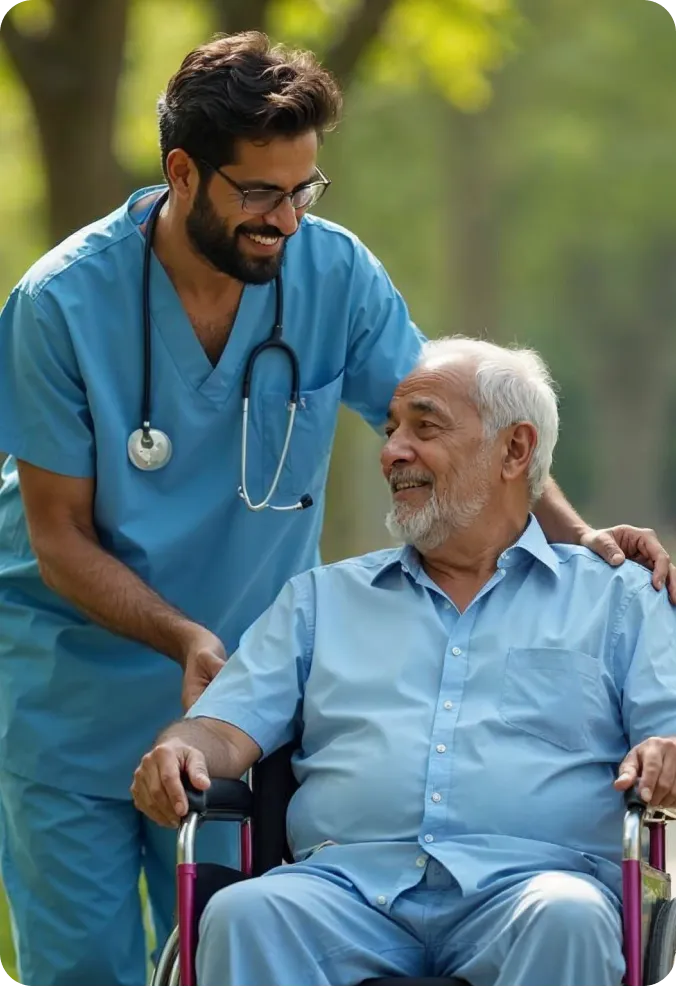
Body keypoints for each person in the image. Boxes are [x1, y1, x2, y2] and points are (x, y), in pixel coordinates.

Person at [0, 29, 672, 987]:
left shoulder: (331, 274)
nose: (286, 219)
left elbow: (462, 424)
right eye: (260, 193)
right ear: (184, 173)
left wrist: (578, 541)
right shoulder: (61, 303)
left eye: (305, 189)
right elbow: (57, 536)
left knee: (223, 921)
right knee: (86, 968)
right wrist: (189, 638)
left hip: (243, 692)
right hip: (80, 687)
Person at [133, 337, 676, 987]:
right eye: (391, 431)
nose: (392, 451)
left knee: (568, 916)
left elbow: (668, 734)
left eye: (425, 426)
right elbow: (221, 728)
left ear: (515, 448)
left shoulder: (618, 599)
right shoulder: (320, 599)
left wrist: (666, 751)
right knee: (245, 911)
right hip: (343, 889)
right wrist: (178, 748)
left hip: (536, 887)